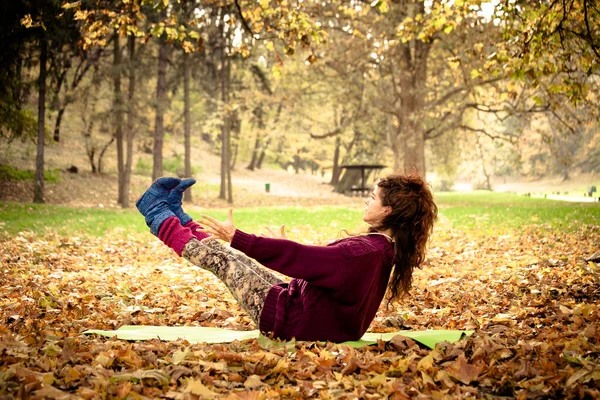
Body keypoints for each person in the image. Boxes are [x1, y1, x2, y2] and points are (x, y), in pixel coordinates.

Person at [136, 173, 438, 342]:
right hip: (302, 309)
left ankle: (157, 214)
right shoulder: (383, 248)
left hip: (293, 323)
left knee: (226, 261)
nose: (367, 199)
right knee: (238, 261)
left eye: (373, 197)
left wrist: (239, 237)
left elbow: (303, 257)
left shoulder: (365, 252)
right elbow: (317, 265)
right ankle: (176, 214)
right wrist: (276, 245)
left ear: (388, 211)